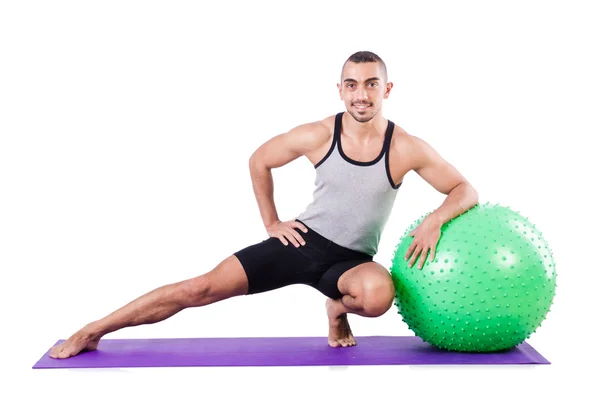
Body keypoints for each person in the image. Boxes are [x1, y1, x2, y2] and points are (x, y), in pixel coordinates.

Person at [49, 51, 479, 359]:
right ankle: (93, 330)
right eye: (352, 84)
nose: (361, 94)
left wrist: (436, 220)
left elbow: (464, 189)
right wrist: (272, 221)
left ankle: (336, 308)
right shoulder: (318, 134)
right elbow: (259, 160)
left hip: (350, 263)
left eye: (370, 84)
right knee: (198, 290)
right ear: (340, 90)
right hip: (301, 243)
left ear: (386, 88)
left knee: (378, 295)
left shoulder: (406, 147)